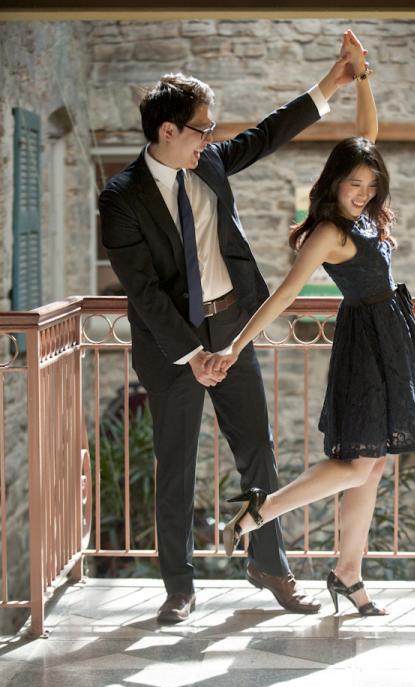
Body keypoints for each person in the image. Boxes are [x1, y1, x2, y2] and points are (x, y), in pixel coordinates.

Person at [98, 31, 366, 624]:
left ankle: (269, 566)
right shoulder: (119, 198)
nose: (211, 138)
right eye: (201, 128)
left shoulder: (211, 163)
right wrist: (192, 353)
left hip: (232, 329)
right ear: (167, 130)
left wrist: (333, 82)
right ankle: (178, 586)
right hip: (174, 349)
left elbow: (267, 133)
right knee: (176, 463)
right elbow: (141, 290)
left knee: (258, 456)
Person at [208, 34, 415, 617]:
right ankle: (259, 512)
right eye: (354, 185)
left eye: (371, 187)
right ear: (334, 182)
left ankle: (347, 575)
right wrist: (238, 344)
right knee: (359, 462)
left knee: (374, 461)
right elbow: (285, 295)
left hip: (391, 337)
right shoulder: (327, 232)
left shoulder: (363, 212)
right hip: (367, 347)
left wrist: (361, 73)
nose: (363, 195)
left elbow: (367, 126)